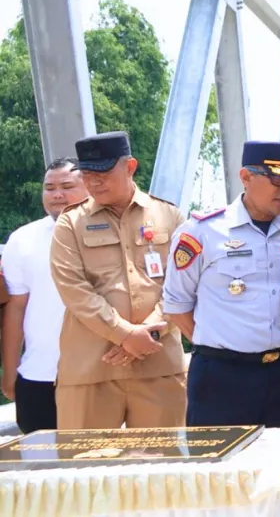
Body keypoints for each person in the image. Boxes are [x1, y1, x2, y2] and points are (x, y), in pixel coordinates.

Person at [163, 141, 280, 427]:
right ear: (246, 176)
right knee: (218, 456)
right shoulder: (203, 231)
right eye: (278, 179)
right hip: (221, 376)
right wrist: (220, 346)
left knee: (278, 455)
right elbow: (176, 304)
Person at [50, 131, 187, 429]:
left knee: (160, 458)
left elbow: (184, 284)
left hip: (158, 365)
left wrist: (151, 333)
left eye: (102, 173)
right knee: (86, 458)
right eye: (87, 174)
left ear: (130, 167)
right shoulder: (70, 223)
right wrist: (124, 334)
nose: (94, 182)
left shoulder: (170, 216)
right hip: (90, 369)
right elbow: (73, 290)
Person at [1, 158, 89, 433]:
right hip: (39, 375)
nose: (57, 195)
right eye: (49, 188)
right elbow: (16, 307)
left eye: (67, 186)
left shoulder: (110, 233)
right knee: (40, 459)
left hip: (100, 378)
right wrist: (10, 370)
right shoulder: (22, 239)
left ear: (89, 186)